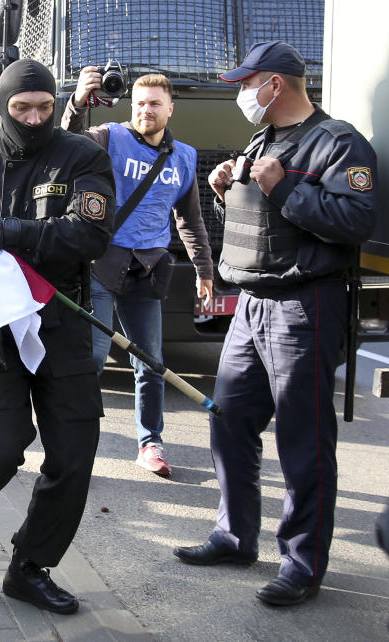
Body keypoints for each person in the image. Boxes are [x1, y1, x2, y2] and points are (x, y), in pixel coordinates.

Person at [173, 41, 378, 607]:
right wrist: (225, 193)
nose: (241, 93)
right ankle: (236, 536)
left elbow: (354, 221)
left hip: (306, 307)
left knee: (303, 441)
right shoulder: (264, 139)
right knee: (229, 421)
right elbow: (261, 221)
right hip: (254, 303)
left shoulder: (337, 143)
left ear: (276, 84)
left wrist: (281, 185)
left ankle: (302, 564)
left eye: (247, 83)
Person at [0, 59, 116, 614]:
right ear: (3, 107)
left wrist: (9, 232)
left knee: (74, 453)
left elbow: (89, 234)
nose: (35, 118)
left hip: (61, 322)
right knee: (0, 449)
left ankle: (30, 566)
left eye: (44, 106)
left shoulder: (84, 155)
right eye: (22, 108)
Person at [62, 71, 214, 476]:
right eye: (141, 103)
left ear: (170, 109)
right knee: (92, 358)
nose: (146, 110)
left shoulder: (184, 156)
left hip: (147, 271)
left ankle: (150, 444)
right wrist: (77, 101)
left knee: (151, 362)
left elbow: (190, 219)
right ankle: (76, 447)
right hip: (102, 265)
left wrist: (204, 269)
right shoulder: (110, 137)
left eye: (155, 103)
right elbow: (68, 144)